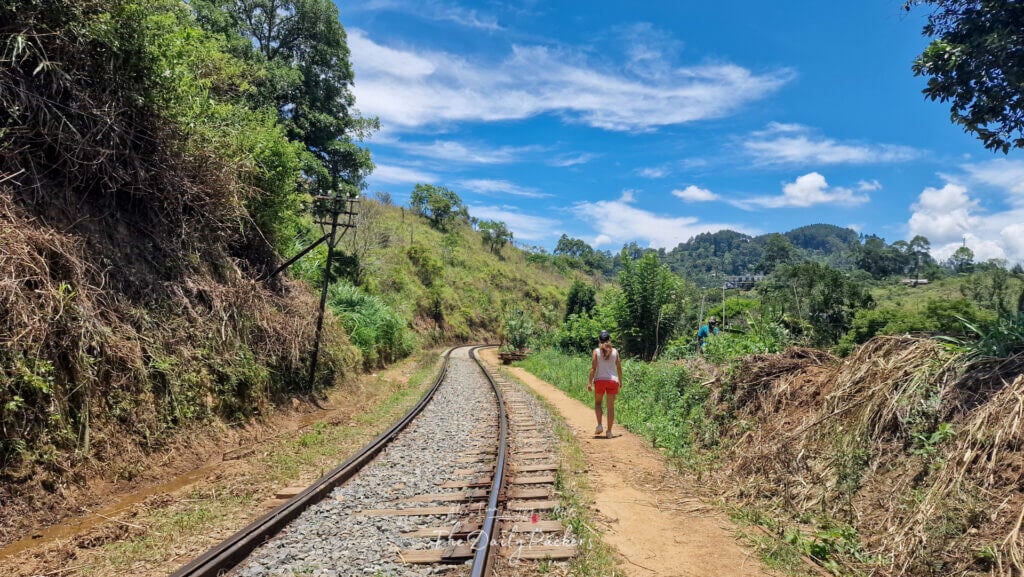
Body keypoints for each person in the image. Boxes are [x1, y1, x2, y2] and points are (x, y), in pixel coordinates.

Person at [587, 330, 622, 438]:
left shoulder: (596, 351)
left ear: (599, 340)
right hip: (612, 381)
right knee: (610, 407)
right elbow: (619, 367)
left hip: (600, 381)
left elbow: (593, 368)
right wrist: (620, 380)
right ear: (609, 340)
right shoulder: (615, 352)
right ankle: (609, 432)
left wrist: (589, 383)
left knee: (598, 403)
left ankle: (599, 425)